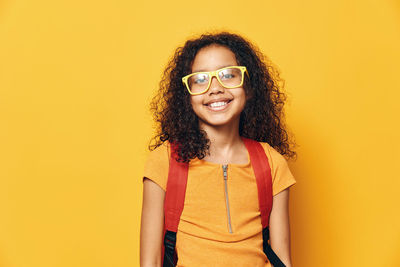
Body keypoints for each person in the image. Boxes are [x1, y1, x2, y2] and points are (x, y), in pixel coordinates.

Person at [140, 32, 297, 267]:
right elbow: (150, 261)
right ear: (187, 96)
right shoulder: (165, 161)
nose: (215, 88)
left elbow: (282, 258)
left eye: (228, 75)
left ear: (248, 86)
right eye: (200, 79)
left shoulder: (272, 162)